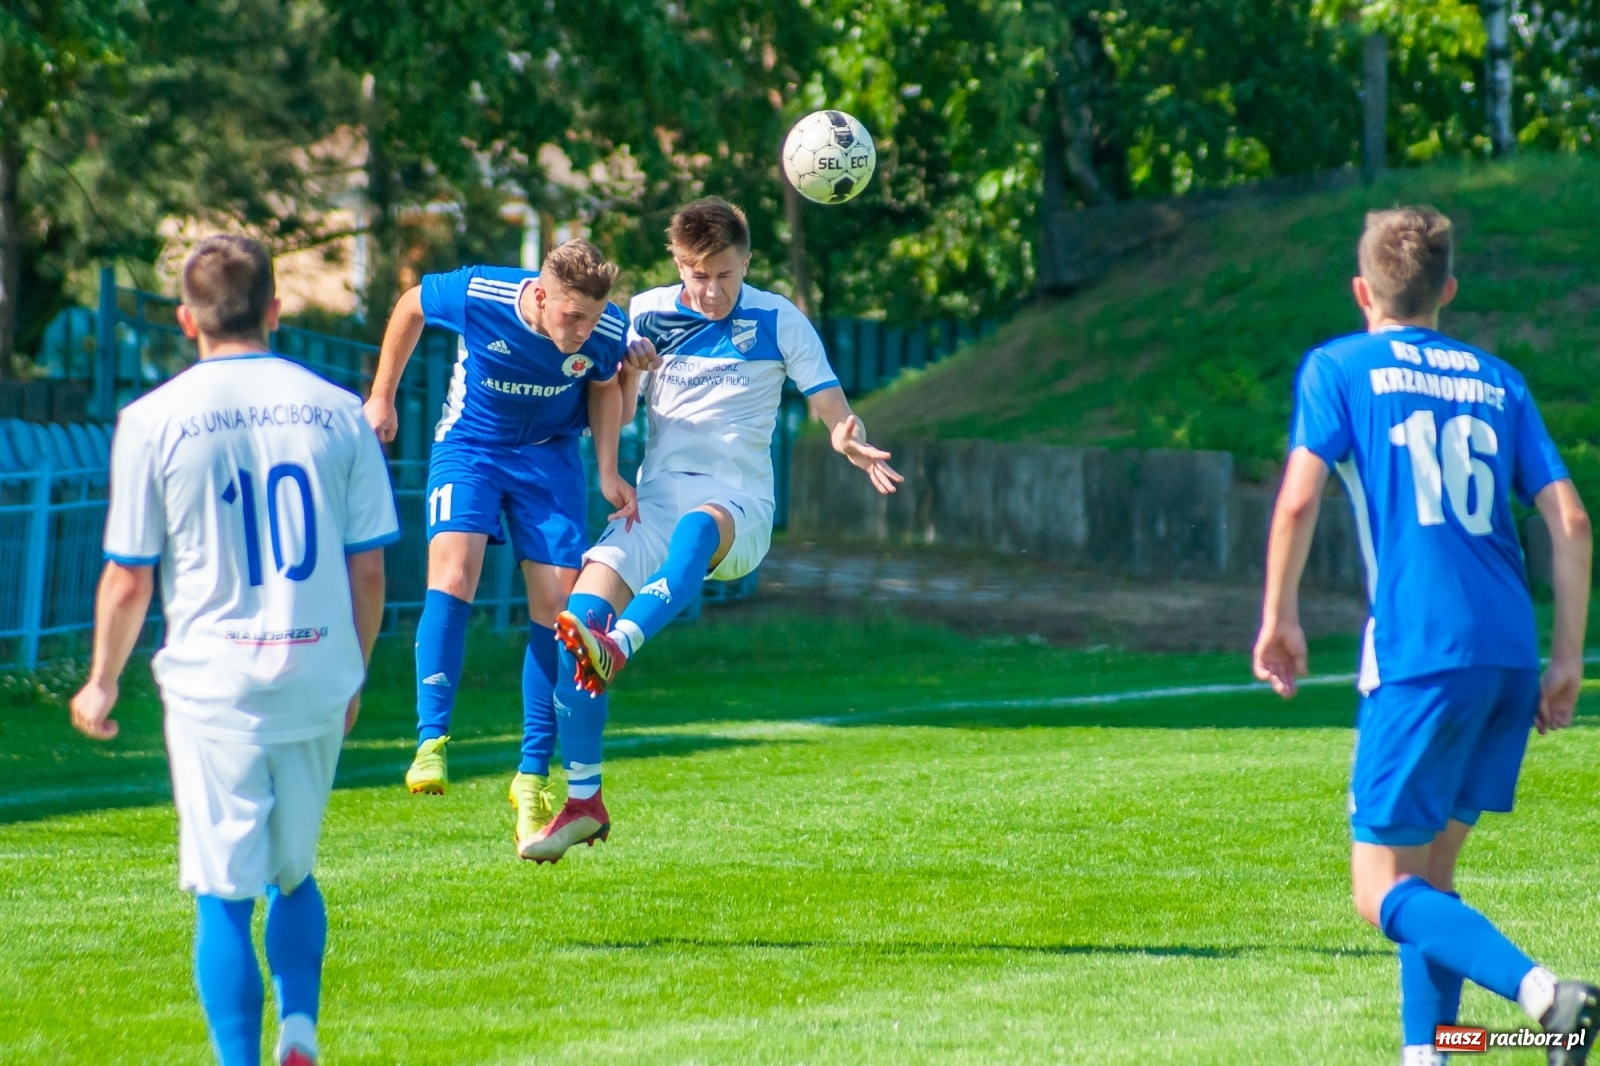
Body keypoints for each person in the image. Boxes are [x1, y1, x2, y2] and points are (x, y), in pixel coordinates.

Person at [1253, 207, 1598, 1066]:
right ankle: (1432, 1054)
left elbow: (1297, 500)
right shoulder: (1500, 380)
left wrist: (1280, 616)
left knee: (1381, 891)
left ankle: (1548, 997)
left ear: (1362, 291)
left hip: (1422, 651)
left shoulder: (1340, 365)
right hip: (1510, 652)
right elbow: (1572, 523)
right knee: (1431, 880)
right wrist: (1565, 661)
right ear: (1447, 289)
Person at [69, 235, 398, 1066]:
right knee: (295, 870)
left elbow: (127, 579)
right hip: (319, 666)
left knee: (222, 891)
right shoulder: (338, 412)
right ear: (276, 311)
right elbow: (368, 569)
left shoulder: (153, 420)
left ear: (187, 319)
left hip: (218, 684)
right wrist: (354, 669)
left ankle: (239, 1058)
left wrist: (101, 681)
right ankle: (300, 1028)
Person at [524, 196, 903, 863]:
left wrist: (849, 437)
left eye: (724, 274)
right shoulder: (642, 314)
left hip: (738, 508)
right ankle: (584, 801)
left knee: (695, 533)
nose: (711, 289)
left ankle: (621, 645)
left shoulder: (779, 319)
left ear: (747, 260)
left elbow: (832, 409)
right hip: (654, 502)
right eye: (698, 274)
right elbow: (615, 403)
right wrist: (627, 371)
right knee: (573, 622)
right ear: (677, 262)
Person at [363, 240, 632, 858]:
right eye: (572, 317)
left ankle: (532, 776)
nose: (584, 330)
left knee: (560, 606)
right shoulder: (481, 293)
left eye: (593, 317)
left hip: (550, 460)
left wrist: (609, 470)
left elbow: (607, 385)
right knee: (454, 573)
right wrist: (383, 395)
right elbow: (409, 305)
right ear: (541, 296)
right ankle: (432, 740)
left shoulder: (605, 328)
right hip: (472, 447)